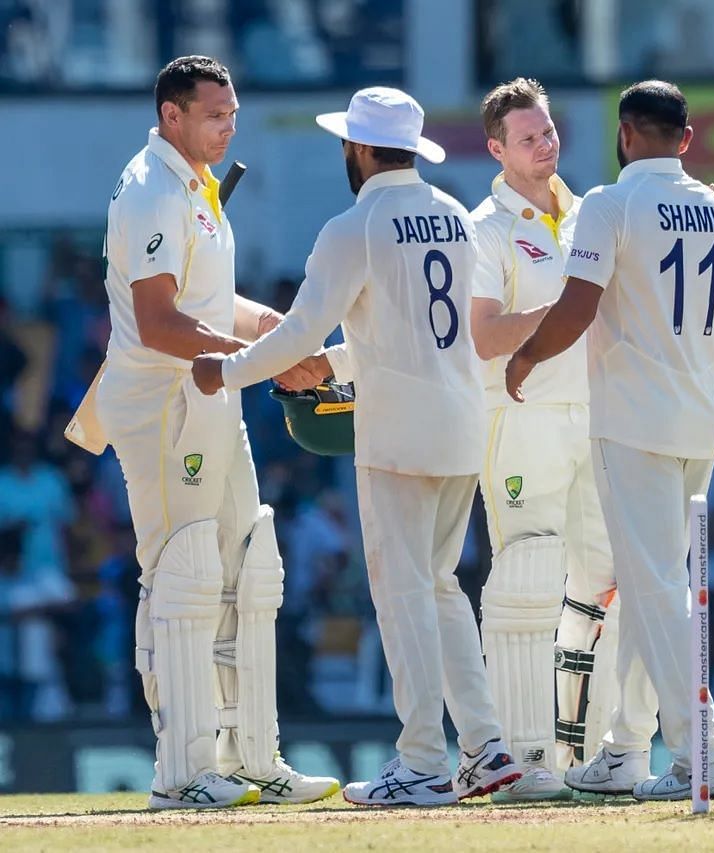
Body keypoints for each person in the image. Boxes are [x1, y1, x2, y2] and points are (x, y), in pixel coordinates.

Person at [191, 87, 522, 806]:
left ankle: (422, 762)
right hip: (461, 426)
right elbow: (415, 337)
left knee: (405, 595)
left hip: (399, 436)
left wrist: (228, 371)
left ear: (361, 148)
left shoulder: (355, 225)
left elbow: (301, 331)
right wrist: (327, 365)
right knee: (439, 589)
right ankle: (486, 745)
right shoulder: (455, 218)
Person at [96, 55, 338, 810]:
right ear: (172, 114)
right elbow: (162, 321)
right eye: (213, 114)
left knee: (249, 569)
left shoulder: (195, 184)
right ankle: (182, 772)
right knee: (185, 574)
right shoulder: (150, 189)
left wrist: (282, 339)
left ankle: (254, 757)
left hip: (212, 393)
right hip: (164, 399)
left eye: (232, 111)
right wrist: (266, 362)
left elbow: (212, 300)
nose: (228, 124)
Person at [504, 80, 714, 801]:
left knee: (653, 588)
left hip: (633, 419)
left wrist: (525, 356)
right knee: (655, 584)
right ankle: (624, 745)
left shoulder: (608, 205)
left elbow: (578, 304)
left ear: (624, 135)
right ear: (686, 137)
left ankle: (699, 751)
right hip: (698, 417)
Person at [469, 77, 658, 801]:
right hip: (522, 420)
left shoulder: (587, 216)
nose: (545, 145)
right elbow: (485, 334)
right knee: (527, 582)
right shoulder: (486, 227)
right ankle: (521, 757)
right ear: (497, 149)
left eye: (548, 132)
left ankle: (588, 758)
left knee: (599, 588)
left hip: (595, 417)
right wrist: (565, 314)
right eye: (528, 138)